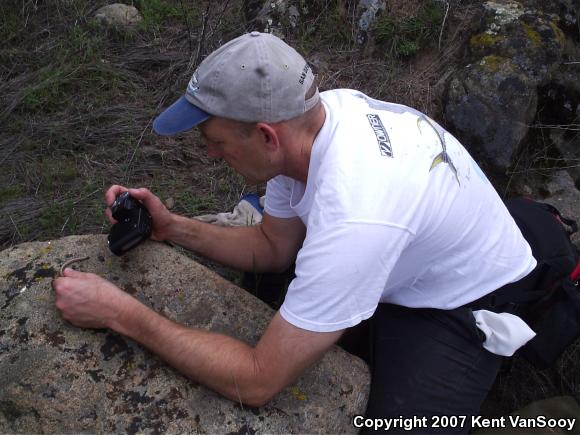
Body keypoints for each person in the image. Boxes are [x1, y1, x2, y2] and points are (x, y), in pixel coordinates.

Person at [53, 32, 539, 433]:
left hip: (464, 298)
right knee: (275, 286)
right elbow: (273, 247)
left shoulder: (356, 210)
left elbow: (259, 381)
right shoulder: (314, 125)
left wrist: (121, 314)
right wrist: (172, 227)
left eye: (215, 141)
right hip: (404, 255)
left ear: (266, 136)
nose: (210, 156)